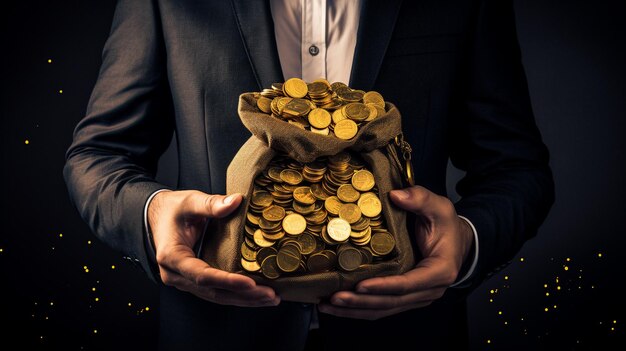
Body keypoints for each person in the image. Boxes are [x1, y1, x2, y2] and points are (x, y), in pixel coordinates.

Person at [64, 0, 554, 350]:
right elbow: (99, 154)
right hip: (216, 332)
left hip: (409, 332)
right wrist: (152, 219)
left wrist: (466, 243)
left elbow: (516, 168)